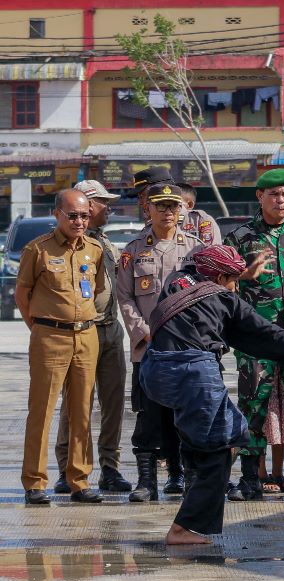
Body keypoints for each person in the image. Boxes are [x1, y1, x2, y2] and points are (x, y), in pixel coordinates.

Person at [139, 246, 284, 545]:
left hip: (155, 371)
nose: (236, 287)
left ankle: (192, 502)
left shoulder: (177, 281)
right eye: (234, 280)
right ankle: (185, 527)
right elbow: (266, 334)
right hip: (193, 372)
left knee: (210, 438)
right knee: (224, 444)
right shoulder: (222, 298)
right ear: (221, 276)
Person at [224, 168, 284, 501]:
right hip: (256, 337)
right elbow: (226, 288)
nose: (281, 200)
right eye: (273, 194)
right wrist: (246, 277)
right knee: (254, 405)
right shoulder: (239, 238)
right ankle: (250, 478)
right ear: (260, 197)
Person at [116, 183, 207, 503]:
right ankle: (146, 480)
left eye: (174, 206)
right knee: (149, 415)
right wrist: (143, 331)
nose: (168, 212)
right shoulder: (133, 250)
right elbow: (125, 298)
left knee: (186, 414)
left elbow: (204, 296)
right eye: (161, 206)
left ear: (182, 209)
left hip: (185, 347)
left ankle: (181, 476)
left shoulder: (195, 249)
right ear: (148, 209)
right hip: (149, 349)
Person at [17, 189, 108, 505]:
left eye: (85, 215)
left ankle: (79, 480)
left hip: (86, 336)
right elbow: (22, 294)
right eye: (73, 215)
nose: (80, 221)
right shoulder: (37, 250)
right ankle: (35, 482)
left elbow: (94, 290)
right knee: (42, 410)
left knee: (82, 409)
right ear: (57, 214)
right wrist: (40, 329)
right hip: (49, 337)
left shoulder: (94, 250)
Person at [52, 181, 130, 494]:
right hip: (79, 332)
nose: (108, 208)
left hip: (110, 329)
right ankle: (66, 470)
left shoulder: (104, 243)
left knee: (113, 404)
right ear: (88, 203)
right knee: (75, 404)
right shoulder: (59, 245)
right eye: (104, 203)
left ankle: (110, 468)